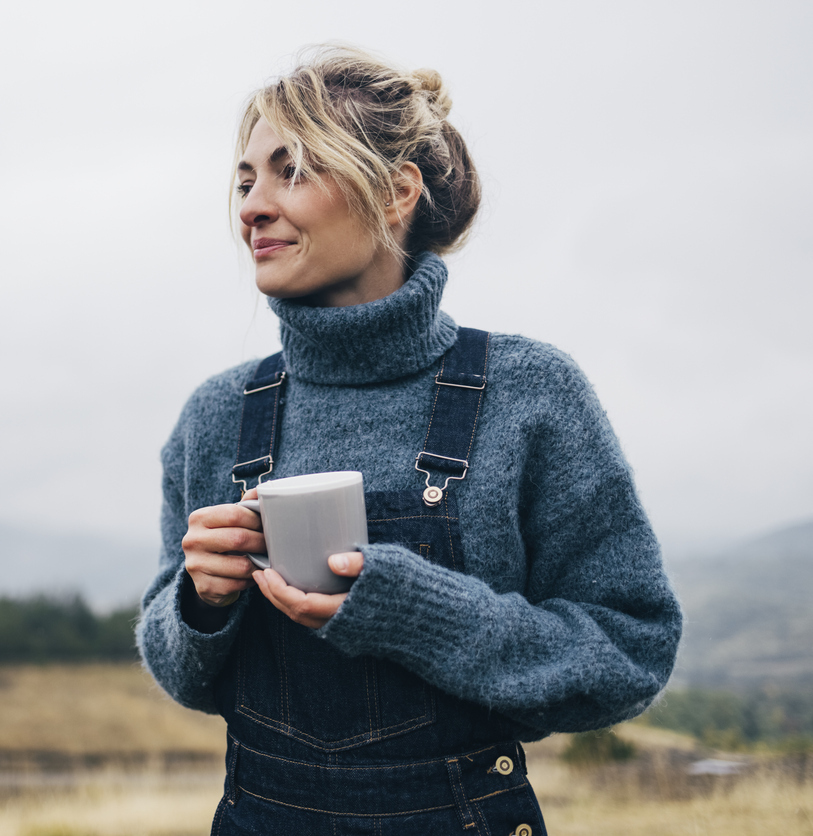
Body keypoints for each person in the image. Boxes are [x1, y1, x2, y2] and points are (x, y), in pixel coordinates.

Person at [136, 45, 682, 835]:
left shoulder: (529, 393)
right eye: (245, 179)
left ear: (395, 194)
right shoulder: (218, 413)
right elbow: (178, 669)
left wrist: (411, 611)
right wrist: (199, 603)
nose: (251, 206)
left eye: (291, 170)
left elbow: (629, 656)